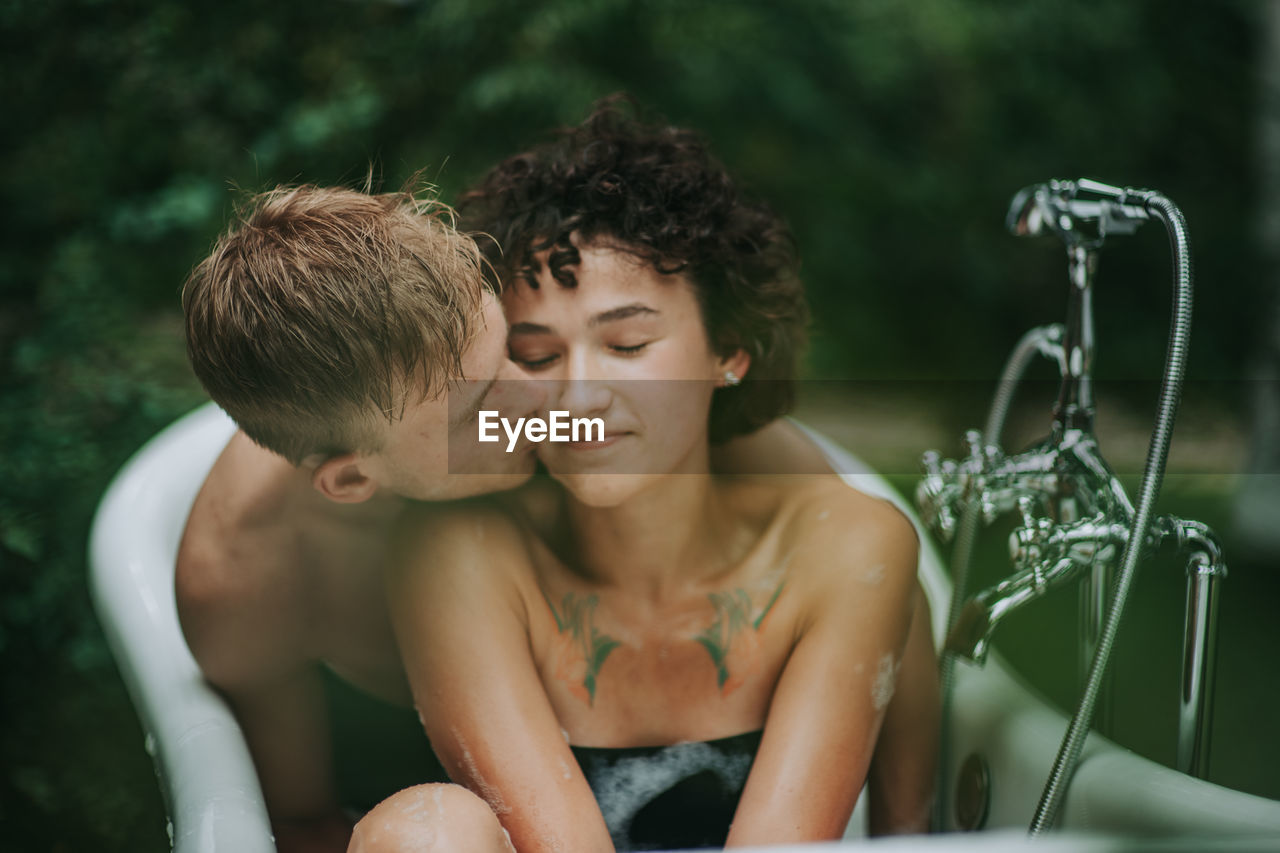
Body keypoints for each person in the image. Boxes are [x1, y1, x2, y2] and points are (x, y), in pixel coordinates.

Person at [354, 101, 939, 852]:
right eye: (535, 356)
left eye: (628, 343)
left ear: (728, 349)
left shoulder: (845, 547)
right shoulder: (463, 548)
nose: (578, 396)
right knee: (425, 832)